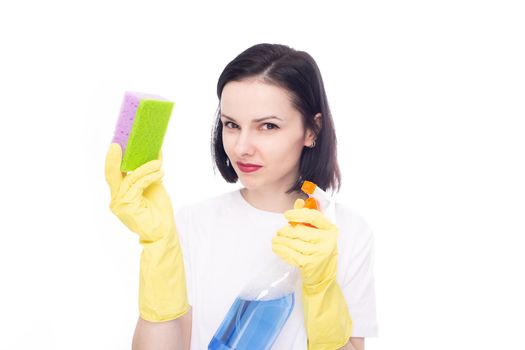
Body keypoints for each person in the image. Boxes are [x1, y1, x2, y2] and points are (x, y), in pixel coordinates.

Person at [105, 43, 378, 350]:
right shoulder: (195, 223)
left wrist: (321, 291)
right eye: (231, 124)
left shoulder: (347, 232)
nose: (241, 147)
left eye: (268, 126)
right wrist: (158, 249)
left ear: (312, 130)